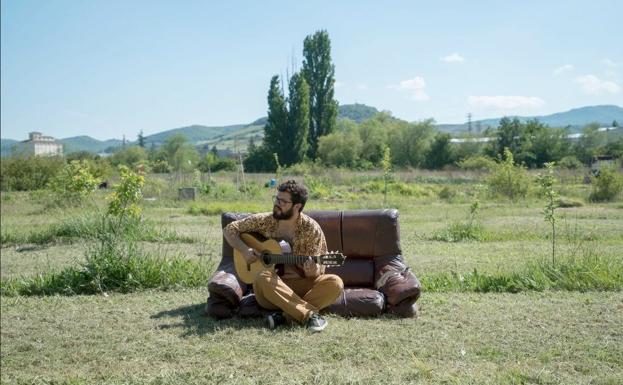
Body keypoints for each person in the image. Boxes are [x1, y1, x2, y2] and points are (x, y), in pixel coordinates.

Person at [223, 180, 344, 332]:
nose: (277, 204)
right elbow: (229, 229)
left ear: (297, 206)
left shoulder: (311, 229)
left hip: (301, 286)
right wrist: (245, 250)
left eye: (283, 201)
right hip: (270, 290)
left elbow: (316, 273)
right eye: (276, 199)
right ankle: (309, 315)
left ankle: (285, 316)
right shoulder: (265, 221)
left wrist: (311, 269)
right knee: (262, 276)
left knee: (335, 283)